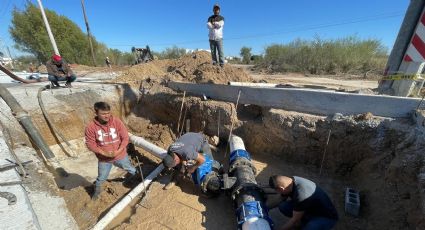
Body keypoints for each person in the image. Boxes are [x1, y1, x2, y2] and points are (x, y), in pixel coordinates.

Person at [85, 102, 137, 200]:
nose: (107, 116)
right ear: (96, 113)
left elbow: (125, 138)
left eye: (108, 113)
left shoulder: (116, 122)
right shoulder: (91, 127)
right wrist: (103, 152)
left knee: (132, 170)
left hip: (120, 156)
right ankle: (96, 195)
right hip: (104, 160)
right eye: (103, 114)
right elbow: (90, 144)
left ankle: (134, 182)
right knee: (101, 179)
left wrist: (119, 150)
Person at [268, 175, 338, 230]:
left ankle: (306, 223)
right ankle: (303, 221)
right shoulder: (290, 182)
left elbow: (294, 220)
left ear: (281, 188)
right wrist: (266, 207)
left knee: (310, 227)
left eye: (277, 191)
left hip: (325, 216)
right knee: (283, 206)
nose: (277, 193)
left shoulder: (301, 194)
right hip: (309, 209)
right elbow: (281, 198)